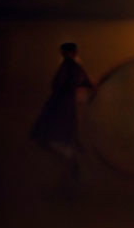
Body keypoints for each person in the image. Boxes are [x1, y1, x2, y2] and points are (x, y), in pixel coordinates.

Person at [30, 42, 93, 171]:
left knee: (56, 127)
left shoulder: (68, 66)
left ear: (65, 53)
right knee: (64, 125)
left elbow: (58, 83)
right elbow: (84, 82)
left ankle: (69, 154)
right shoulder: (73, 66)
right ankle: (71, 151)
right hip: (65, 101)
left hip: (62, 101)